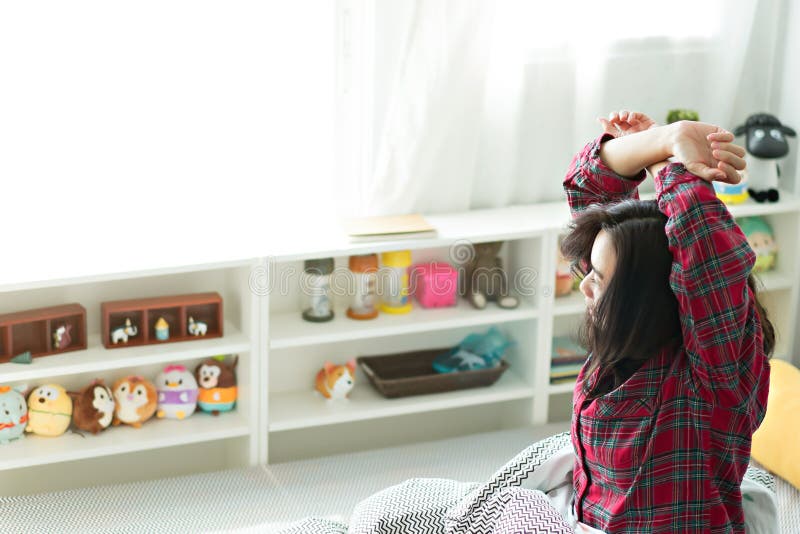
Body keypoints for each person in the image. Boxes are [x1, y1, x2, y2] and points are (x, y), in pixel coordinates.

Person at [560, 111, 775, 533]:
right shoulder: (626, 336)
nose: (584, 286)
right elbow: (589, 185)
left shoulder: (711, 379)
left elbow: (707, 252)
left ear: (648, 294)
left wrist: (673, 161)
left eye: (599, 280)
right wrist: (661, 140)